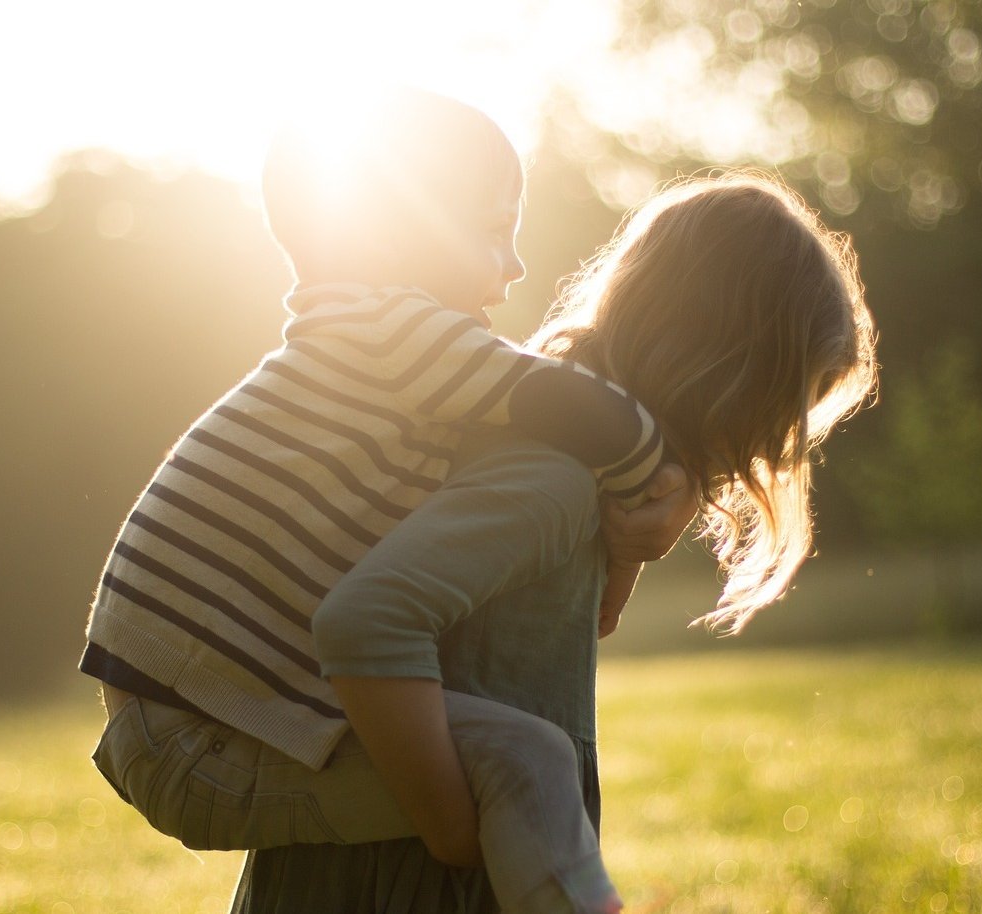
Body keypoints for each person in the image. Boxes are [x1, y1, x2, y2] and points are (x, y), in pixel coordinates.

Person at [82, 87, 699, 914]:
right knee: (527, 761)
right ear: (391, 235)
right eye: (490, 232)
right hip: (196, 737)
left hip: (188, 721)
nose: (513, 266)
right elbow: (575, 405)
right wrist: (656, 486)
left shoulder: (363, 342)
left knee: (509, 758)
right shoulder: (390, 331)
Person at [231, 173, 878, 912]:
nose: (768, 447)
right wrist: (451, 826)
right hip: (408, 875)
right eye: (778, 408)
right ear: (722, 366)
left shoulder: (581, 466)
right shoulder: (555, 480)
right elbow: (367, 617)